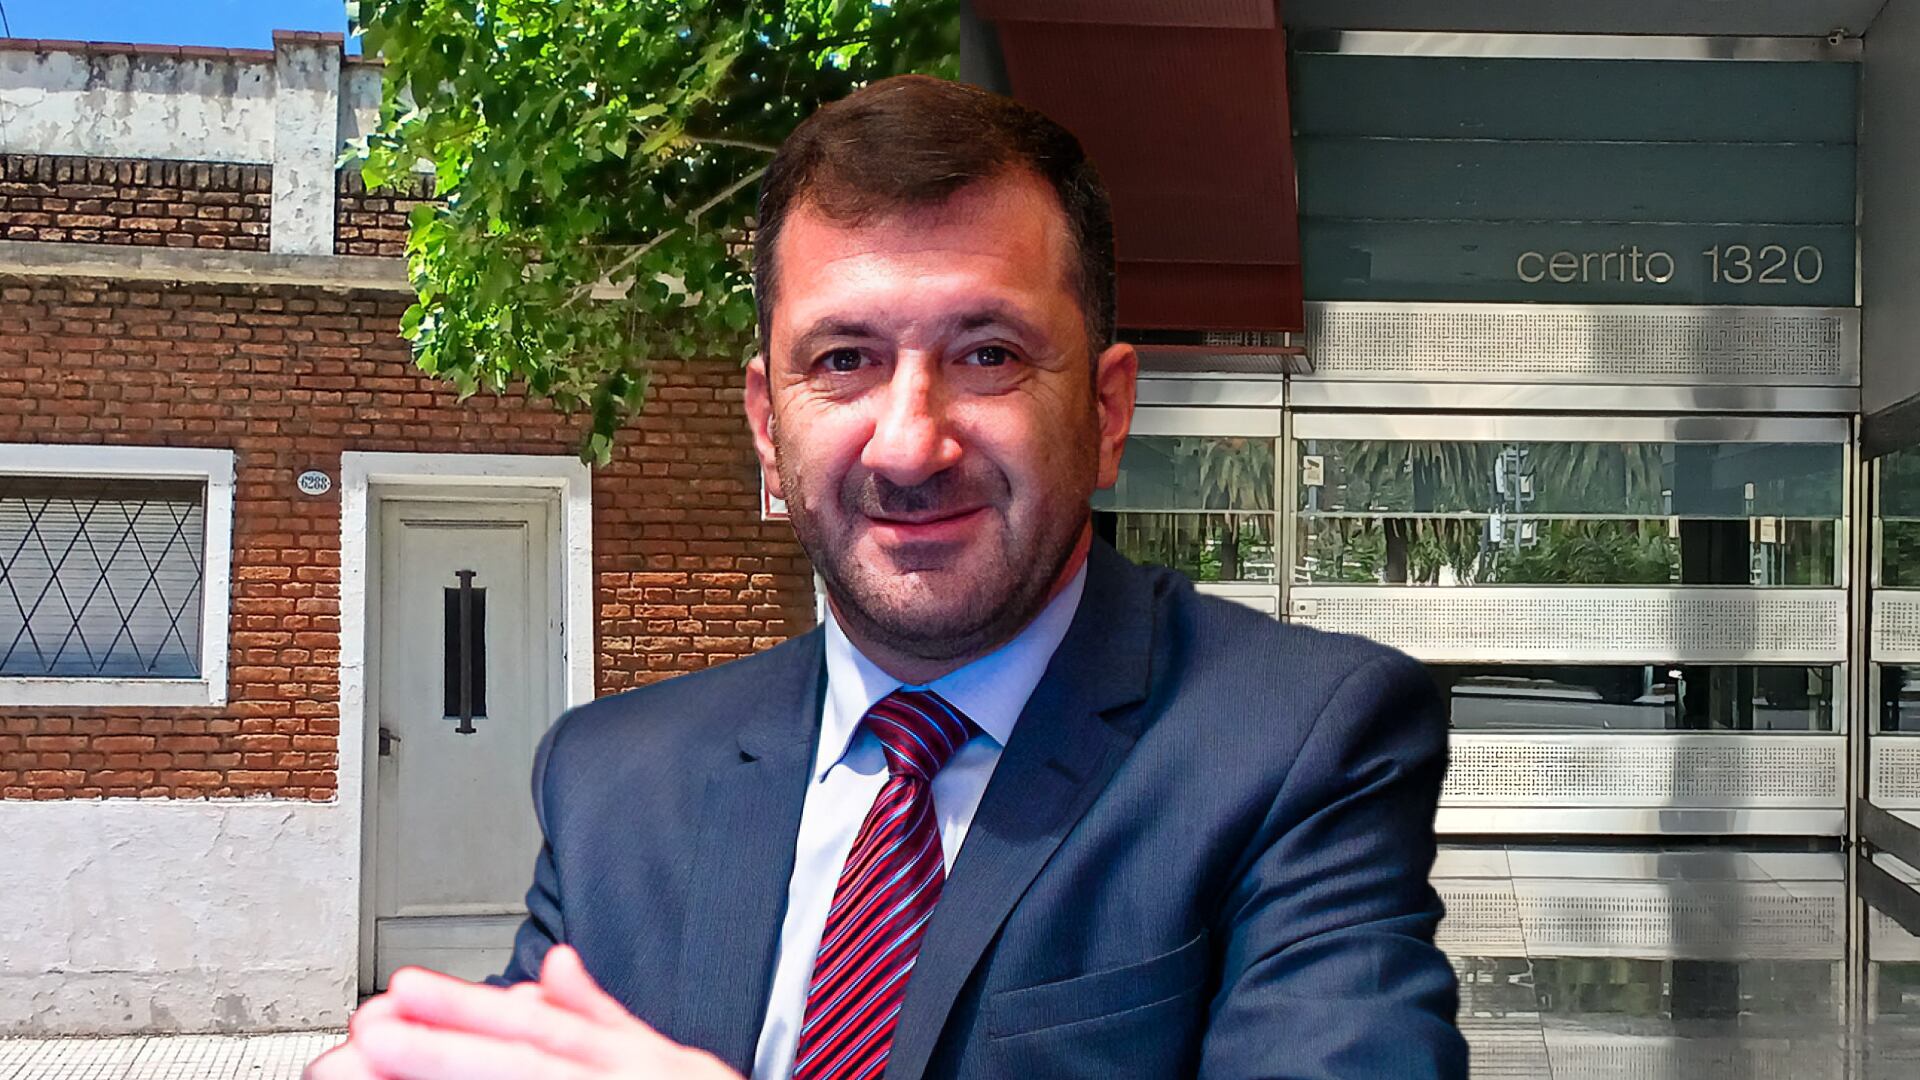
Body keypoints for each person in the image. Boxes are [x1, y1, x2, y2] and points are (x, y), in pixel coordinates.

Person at [308, 73, 1466, 1080]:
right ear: (768, 425)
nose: (911, 444)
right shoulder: (612, 779)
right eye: (844, 358)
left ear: (1108, 411)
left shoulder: (1301, 745)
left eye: (989, 354)